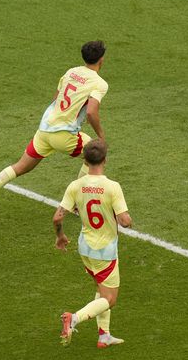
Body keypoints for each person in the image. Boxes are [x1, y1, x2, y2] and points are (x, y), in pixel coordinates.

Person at [0, 40, 108, 223]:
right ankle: (75, 202)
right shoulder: (99, 83)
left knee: (20, 167)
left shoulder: (71, 72)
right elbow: (91, 112)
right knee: (96, 153)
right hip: (64, 134)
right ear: (101, 59)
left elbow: (56, 98)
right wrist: (101, 137)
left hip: (45, 129)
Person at [54, 139, 132, 348]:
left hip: (85, 247)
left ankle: (104, 335)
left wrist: (60, 236)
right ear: (105, 160)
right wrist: (126, 220)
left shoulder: (75, 186)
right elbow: (125, 221)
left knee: (100, 287)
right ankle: (74, 318)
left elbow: (57, 217)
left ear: (85, 161)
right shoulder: (112, 187)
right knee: (110, 299)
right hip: (105, 250)